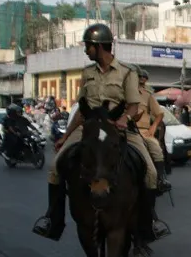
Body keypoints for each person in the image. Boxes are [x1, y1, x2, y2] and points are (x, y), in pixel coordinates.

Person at [31, 23, 170, 243]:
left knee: (151, 172)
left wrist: (124, 120)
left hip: (119, 127)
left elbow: (134, 105)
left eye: (88, 46)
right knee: (55, 166)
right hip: (90, 128)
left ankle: (149, 222)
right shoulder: (87, 73)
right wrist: (66, 136)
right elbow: (81, 110)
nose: (86, 51)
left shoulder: (127, 73)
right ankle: (52, 220)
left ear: (99, 47)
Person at [133, 67, 171, 192]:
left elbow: (159, 114)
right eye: (140, 78)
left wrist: (153, 127)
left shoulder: (147, 95)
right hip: (126, 129)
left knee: (156, 148)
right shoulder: (123, 92)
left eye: (144, 79)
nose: (142, 80)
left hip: (143, 130)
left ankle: (160, 179)